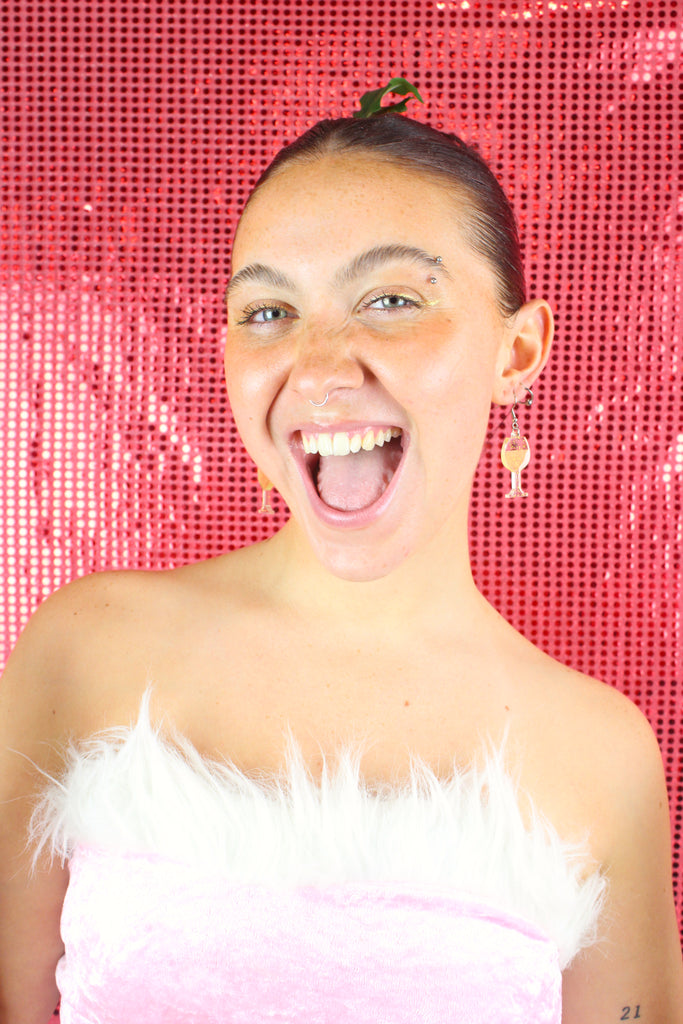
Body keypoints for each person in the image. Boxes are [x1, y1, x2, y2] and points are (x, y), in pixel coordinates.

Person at [1, 100, 682, 1024]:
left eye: (391, 300)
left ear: (516, 350)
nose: (317, 368)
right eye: (269, 311)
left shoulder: (602, 757)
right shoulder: (84, 652)